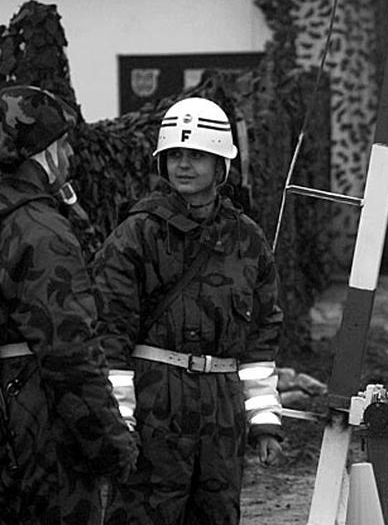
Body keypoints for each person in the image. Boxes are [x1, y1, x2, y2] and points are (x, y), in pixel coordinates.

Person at [93, 97, 285, 524]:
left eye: (196, 155)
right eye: (175, 155)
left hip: (221, 412)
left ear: (221, 165)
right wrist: (120, 418)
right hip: (155, 405)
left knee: (216, 516)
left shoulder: (246, 240)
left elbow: (262, 337)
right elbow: (110, 333)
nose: (184, 165)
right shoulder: (136, 236)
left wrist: (264, 419)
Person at [0, 85, 138, 523]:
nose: (72, 156)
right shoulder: (39, 231)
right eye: (64, 145)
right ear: (43, 151)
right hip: (35, 434)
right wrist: (111, 445)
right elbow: (69, 355)